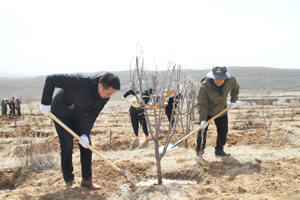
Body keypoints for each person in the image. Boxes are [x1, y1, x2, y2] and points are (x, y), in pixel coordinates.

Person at [39, 73, 120, 190]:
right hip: (61, 112)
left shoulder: (104, 98)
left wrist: (84, 133)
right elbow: (51, 79)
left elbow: (92, 115)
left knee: (87, 145)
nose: (108, 96)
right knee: (67, 145)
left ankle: (87, 180)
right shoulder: (79, 81)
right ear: (100, 86)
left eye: (111, 94)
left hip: (78, 116)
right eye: (107, 93)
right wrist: (46, 103)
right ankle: (69, 180)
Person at [195, 66, 239, 163]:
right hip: (207, 111)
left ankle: (219, 150)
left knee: (223, 131)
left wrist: (233, 100)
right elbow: (202, 103)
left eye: (221, 79)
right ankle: (199, 154)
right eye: (216, 79)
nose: (218, 81)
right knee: (202, 132)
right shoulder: (205, 86)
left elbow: (236, 88)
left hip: (221, 110)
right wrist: (203, 119)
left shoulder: (230, 81)